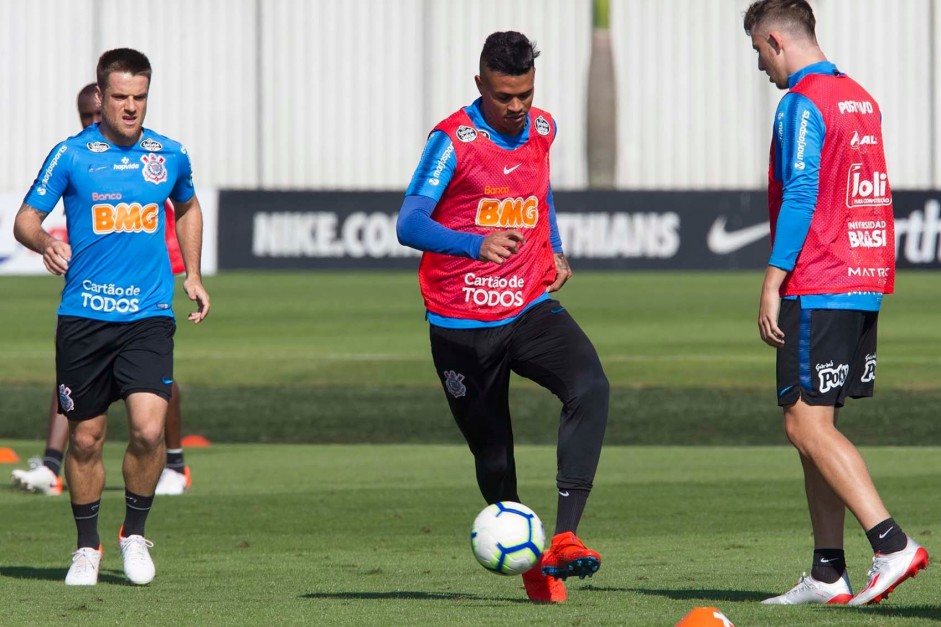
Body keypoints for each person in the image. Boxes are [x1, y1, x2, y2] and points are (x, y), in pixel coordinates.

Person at [396, 31, 609, 604]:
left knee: (590, 386)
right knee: (494, 454)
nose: (517, 108)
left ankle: (564, 536)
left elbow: (539, 191)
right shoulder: (452, 141)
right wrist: (473, 244)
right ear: (480, 86)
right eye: (503, 97)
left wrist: (555, 245)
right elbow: (408, 222)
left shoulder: (542, 128)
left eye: (525, 95)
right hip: (461, 325)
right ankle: (531, 566)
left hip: (527, 304)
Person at [744, 0, 928, 606]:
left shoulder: (802, 101)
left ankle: (891, 543)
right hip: (864, 274)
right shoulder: (860, 97)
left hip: (820, 277)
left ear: (775, 41)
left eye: (758, 53)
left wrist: (774, 277)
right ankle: (828, 573)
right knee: (817, 427)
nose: (762, 68)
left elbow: (802, 188)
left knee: (803, 421)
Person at [13, 48, 210, 586]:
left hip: (148, 316)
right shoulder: (71, 156)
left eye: (140, 98)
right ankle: (85, 547)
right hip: (84, 317)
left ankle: (135, 535)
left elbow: (188, 206)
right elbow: (26, 219)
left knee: (148, 431)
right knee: (85, 440)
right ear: (100, 96)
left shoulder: (169, 154)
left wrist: (191, 273)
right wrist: (44, 244)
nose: (131, 107)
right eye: (120, 97)